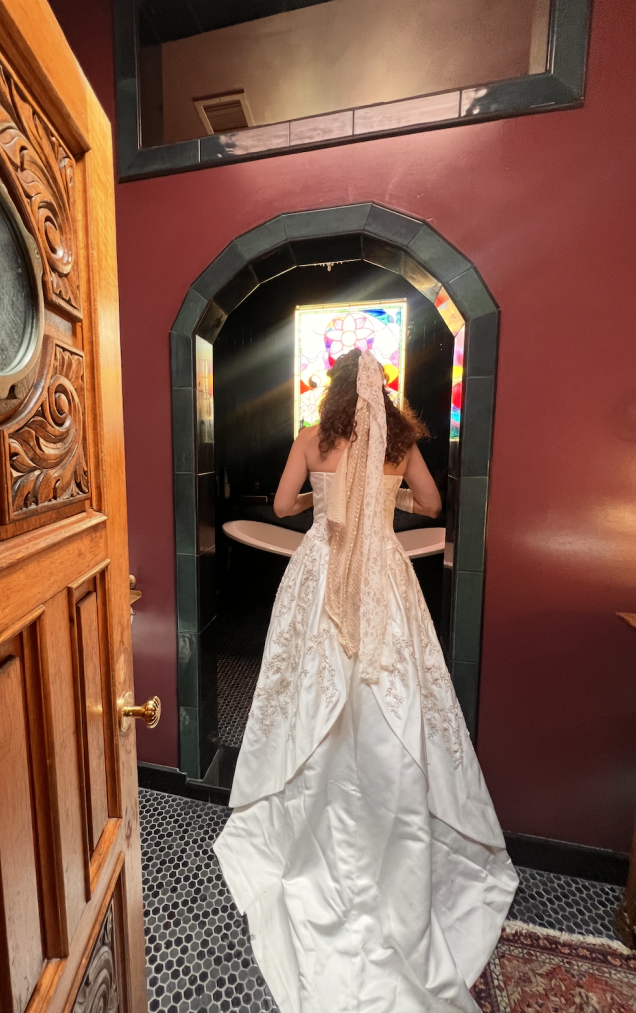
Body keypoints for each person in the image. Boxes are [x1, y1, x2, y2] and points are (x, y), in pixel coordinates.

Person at [214, 348, 517, 1013]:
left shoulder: (310, 439)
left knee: (307, 687)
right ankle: (391, 807)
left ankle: (305, 806)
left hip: (322, 573)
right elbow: (435, 506)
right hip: (383, 576)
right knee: (392, 690)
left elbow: (288, 503)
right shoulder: (402, 445)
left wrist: (327, 502)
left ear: (333, 389)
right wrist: (388, 492)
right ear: (385, 395)